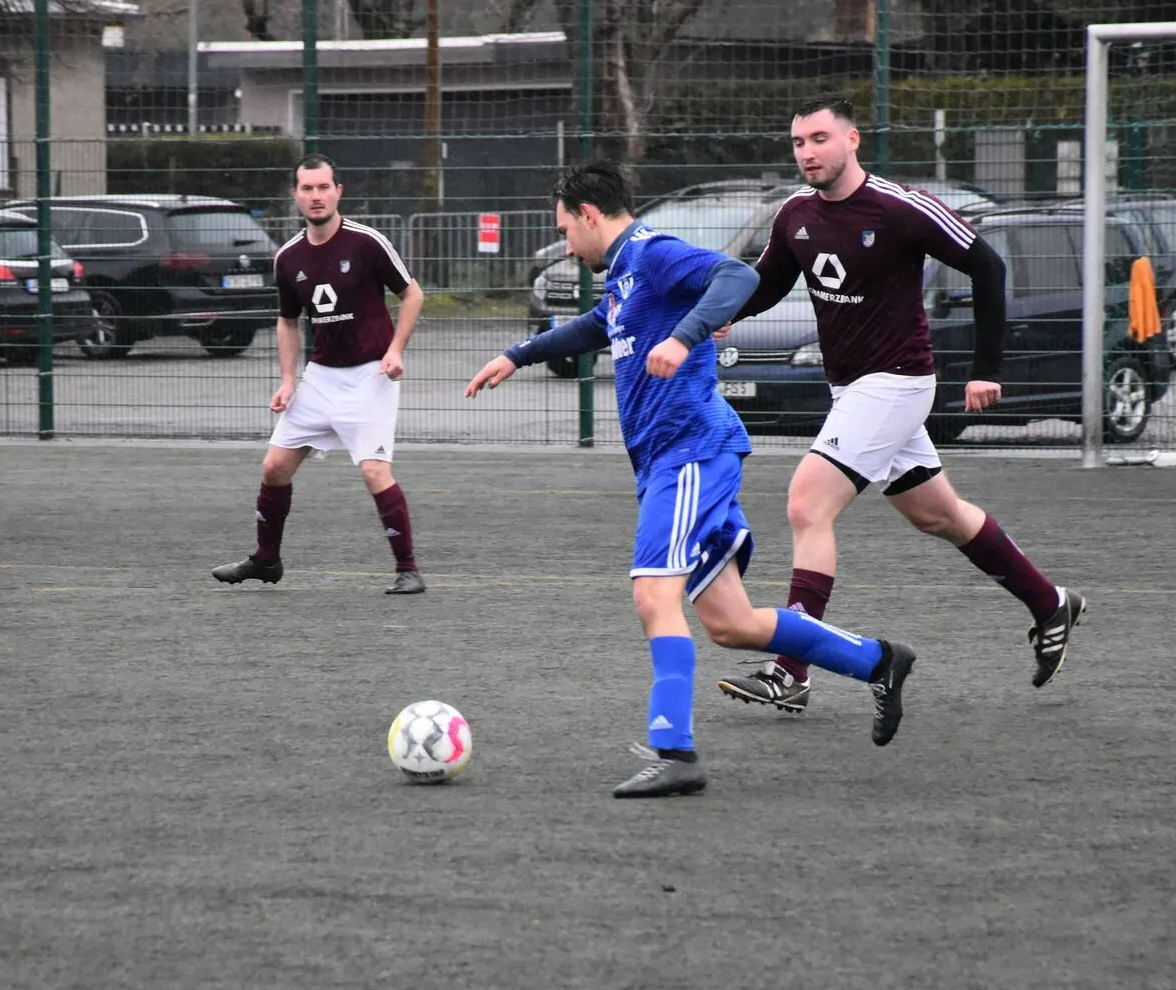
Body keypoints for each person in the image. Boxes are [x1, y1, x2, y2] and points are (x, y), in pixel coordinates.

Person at [464, 160, 917, 798]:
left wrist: (684, 337)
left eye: (565, 230)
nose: (565, 245)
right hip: (672, 462)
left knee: (654, 596)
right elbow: (598, 325)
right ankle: (879, 660)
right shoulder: (624, 273)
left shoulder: (652, 252)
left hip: (690, 455)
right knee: (732, 622)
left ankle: (674, 751)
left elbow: (736, 276)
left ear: (589, 215)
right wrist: (518, 354)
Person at [710, 96, 1085, 717]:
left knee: (807, 504)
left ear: (852, 139)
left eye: (820, 139)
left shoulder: (899, 206)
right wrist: (723, 314)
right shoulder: (795, 214)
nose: (808, 153)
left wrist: (987, 370)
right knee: (939, 516)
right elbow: (771, 281)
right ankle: (1050, 603)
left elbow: (987, 266)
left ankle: (790, 669)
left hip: (897, 384)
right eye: (799, 142)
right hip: (852, 390)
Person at [211, 154, 428, 594]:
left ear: (338, 191)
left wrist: (395, 351)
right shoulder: (288, 258)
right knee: (274, 466)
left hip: (370, 377)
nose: (316, 196)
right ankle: (266, 560)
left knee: (374, 471)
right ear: (295, 195)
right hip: (321, 378)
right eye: (307, 188)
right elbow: (287, 321)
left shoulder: (367, 242)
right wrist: (288, 380)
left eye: (324, 187)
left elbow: (412, 294)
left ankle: (408, 570)